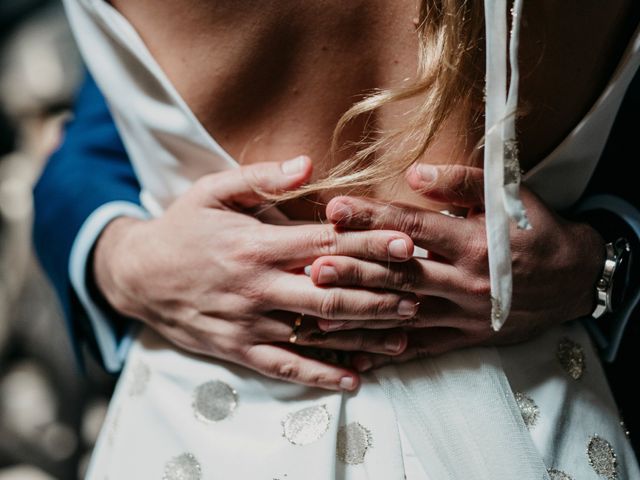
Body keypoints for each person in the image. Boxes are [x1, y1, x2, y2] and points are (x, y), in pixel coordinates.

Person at [36, 0, 640, 478]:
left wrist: (602, 261)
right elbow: (114, 113)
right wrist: (120, 256)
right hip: (540, 417)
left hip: (215, 426)